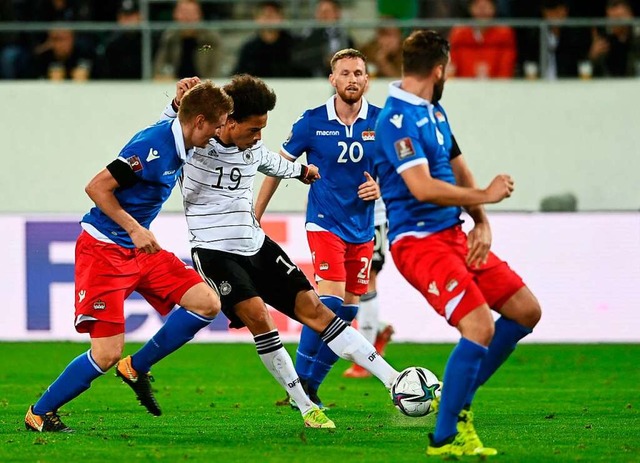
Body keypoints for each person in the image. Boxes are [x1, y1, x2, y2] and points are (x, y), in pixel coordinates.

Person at [164, 74, 400, 428]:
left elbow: (274, 163)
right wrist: (174, 105)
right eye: (254, 128)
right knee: (260, 318)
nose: (259, 136)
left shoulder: (254, 149)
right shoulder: (193, 145)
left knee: (317, 309)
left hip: (256, 245)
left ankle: (394, 381)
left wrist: (302, 171)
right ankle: (306, 406)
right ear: (228, 121)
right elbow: (165, 132)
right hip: (214, 253)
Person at [25, 80, 233, 432]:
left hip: (140, 252)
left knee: (207, 303)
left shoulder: (176, 137)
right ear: (199, 121)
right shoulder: (154, 145)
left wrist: (175, 104)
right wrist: (135, 228)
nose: (218, 133)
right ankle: (40, 412)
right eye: (216, 125)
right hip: (104, 251)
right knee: (105, 354)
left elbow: (167, 126)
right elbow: (96, 187)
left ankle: (136, 366)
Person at [374, 30, 541, 456]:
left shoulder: (435, 111)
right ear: (439, 68)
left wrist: (481, 221)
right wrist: (484, 195)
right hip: (419, 244)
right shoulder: (394, 120)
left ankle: (458, 398)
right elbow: (422, 187)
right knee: (480, 326)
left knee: (525, 310)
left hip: (454, 234)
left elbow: (455, 165)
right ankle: (444, 436)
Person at [255, 48, 382, 408]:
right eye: (345, 73)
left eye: (358, 73)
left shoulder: (383, 121)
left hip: (363, 227)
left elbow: (399, 171)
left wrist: (381, 187)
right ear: (333, 79)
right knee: (326, 301)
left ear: (367, 79)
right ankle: (299, 388)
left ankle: (308, 387)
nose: (352, 79)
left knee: (349, 311)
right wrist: (256, 213)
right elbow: (278, 166)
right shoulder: (312, 121)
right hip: (324, 222)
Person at [342, 198, 394, 378]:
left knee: (366, 278)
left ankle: (364, 362)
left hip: (372, 216)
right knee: (337, 286)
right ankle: (377, 329)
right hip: (334, 215)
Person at [448, 0, 517, 78]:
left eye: (487, 6)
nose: (482, 10)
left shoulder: (504, 34)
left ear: (494, 8)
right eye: (478, 6)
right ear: (470, 8)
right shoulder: (459, 33)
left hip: (497, 85)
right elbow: (452, 66)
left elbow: (506, 67)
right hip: (464, 84)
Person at [233, 1, 303, 77]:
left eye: (273, 14)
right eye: (264, 14)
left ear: (282, 17)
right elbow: (238, 76)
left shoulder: (296, 45)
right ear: (256, 19)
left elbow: (307, 75)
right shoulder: (249, 48)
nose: (269, 18)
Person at [153, 0, 220, 80]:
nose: (187, 17)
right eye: (183, 12)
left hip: (203, 84)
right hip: (175, 84)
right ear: (175, 14)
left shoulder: (210, 38)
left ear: (199, 15)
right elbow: (160, 65)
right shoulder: (169, 37)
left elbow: (217, 67)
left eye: (191, 13)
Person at [292, 0, 355, 77]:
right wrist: (323, 59)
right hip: (308, 80)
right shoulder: (307, 36)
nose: (323, 15)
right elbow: (298, 58)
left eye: (327, 11)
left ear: (337, 13)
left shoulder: (346, 39)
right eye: (320, 11)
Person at [590, 0, 640, 77]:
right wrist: (592, 56)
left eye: (620, 17)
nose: (617, 22)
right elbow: (590, 70)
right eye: (613, 18)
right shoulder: (603, 38)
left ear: (630, 15)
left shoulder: (636, 36)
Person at [97, 0, 143, 79]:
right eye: (125, 16)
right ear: (119, 19)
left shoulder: (149, 41)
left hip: (145, 87)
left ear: (140, 17)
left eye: (131, 16)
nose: (128, 21)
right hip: (117, 87)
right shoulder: (111, 44)